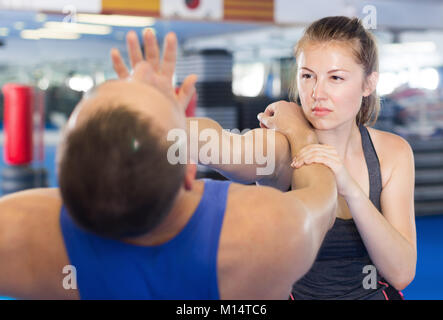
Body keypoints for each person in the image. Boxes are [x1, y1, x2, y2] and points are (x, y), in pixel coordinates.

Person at [0, 36, 338, 299]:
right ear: (189, 170)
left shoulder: (21, 235)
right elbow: (322, 199)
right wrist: (301, 133)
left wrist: (159, 121)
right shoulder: (268, 232)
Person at [112, 16, 416, 300]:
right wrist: (158, 119)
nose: (316, 93)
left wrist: (351, 189)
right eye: (307, 76)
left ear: (368, 83)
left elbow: (401, 273)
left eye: (335, 78)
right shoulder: (279, 145)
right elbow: (220, 146)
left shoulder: (392, 153)